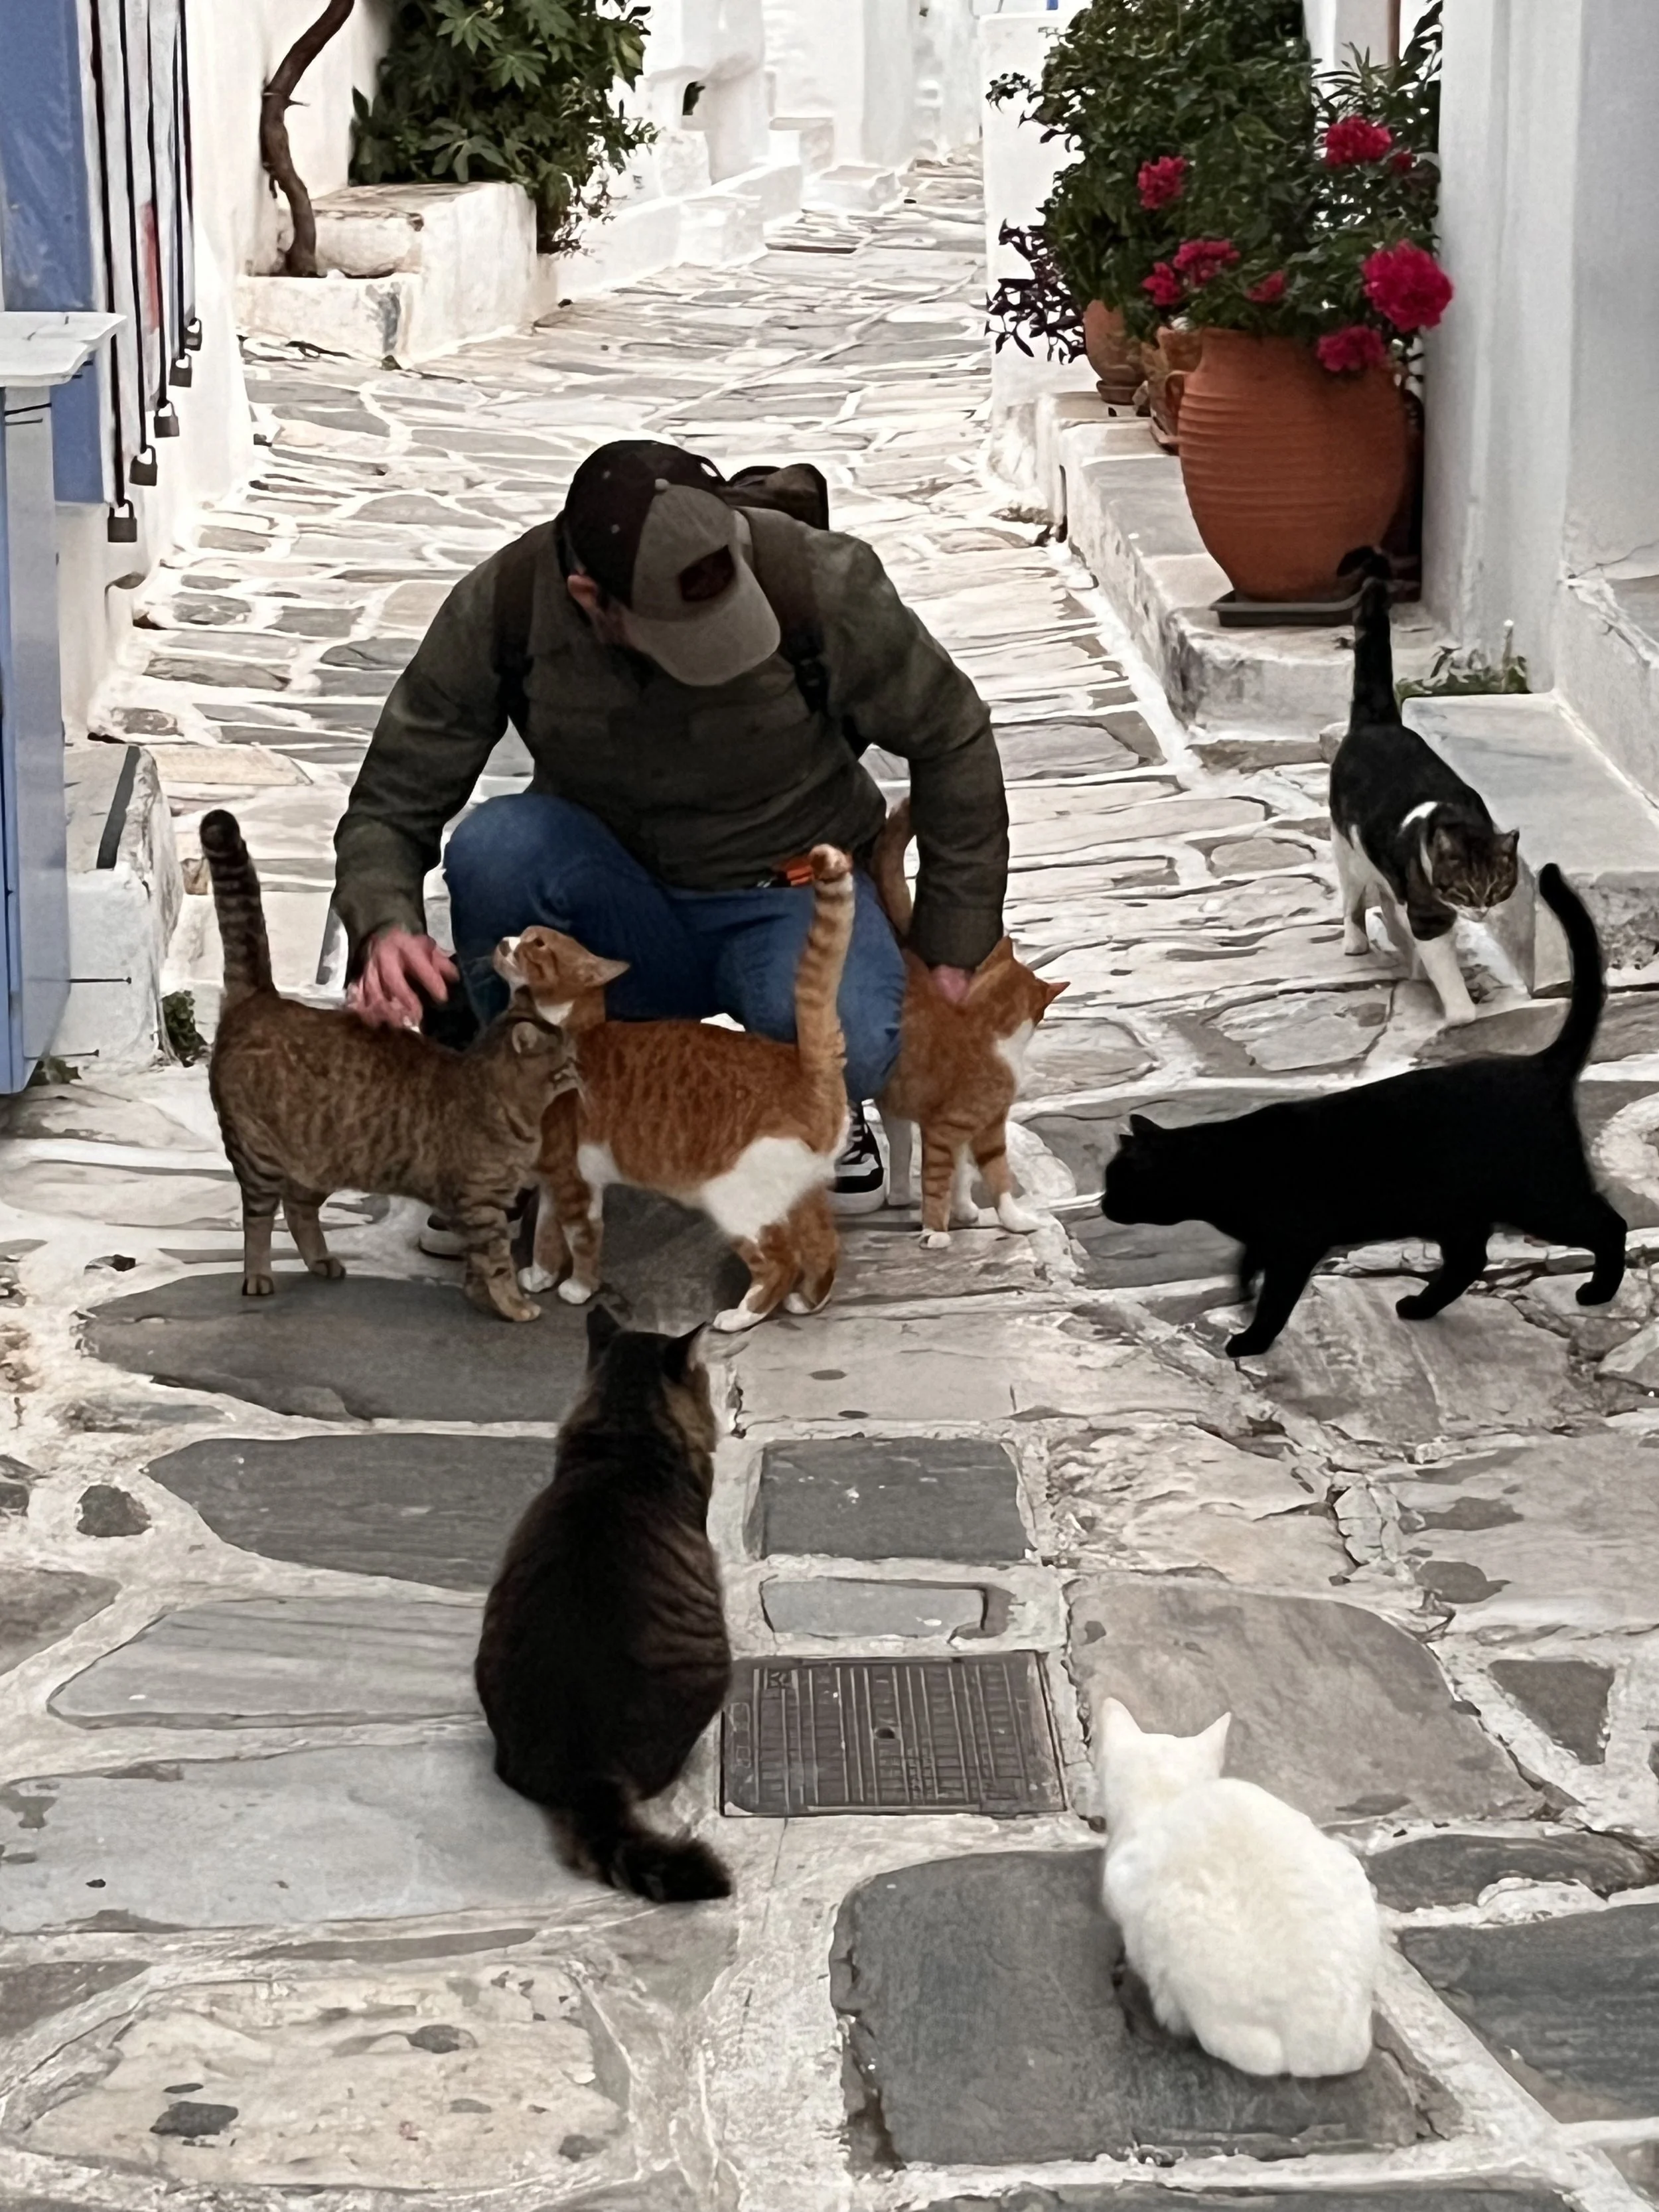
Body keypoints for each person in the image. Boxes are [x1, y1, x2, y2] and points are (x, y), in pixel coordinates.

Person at [332, 437, 1009, 1244]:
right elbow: (393, 797)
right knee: (495, 848)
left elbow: (952, 733)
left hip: (784, 892)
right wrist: (386, 924)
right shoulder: (508, 603)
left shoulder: (819, 582)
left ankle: (821, 1112)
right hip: (614, 911)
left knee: (857, 1043)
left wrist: (951, 943)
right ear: (590, 596)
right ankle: (515, 1124)